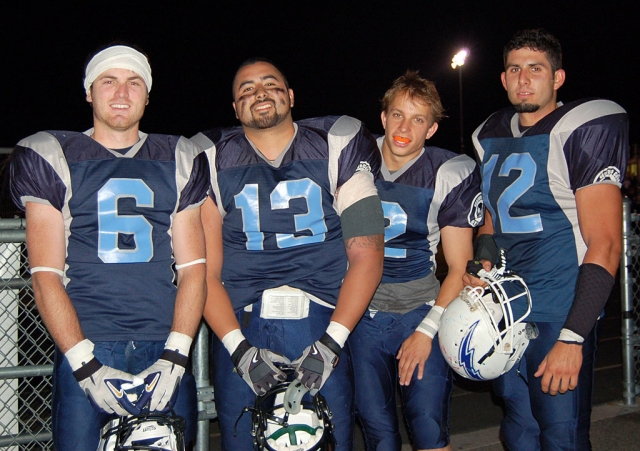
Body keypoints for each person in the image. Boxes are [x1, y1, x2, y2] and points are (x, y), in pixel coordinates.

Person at [10, 44, 209, 450]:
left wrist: (177, 354)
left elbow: (194, 269)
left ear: (148, 95)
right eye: (109, 81)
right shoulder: (53, 154)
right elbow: (45, 276)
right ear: (89, 92)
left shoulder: (179, 156)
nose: (121, 93)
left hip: (163, 339)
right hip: (87, 339)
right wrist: (83, 362)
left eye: (134, 82)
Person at [191, 57, 385, 450]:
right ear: (234, 108)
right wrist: (238, 350)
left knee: (328, 440)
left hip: (322, 321)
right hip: (242, 323)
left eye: (269, 84)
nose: (258, 92)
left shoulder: (336, 143)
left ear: (291, 95)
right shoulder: (210, 157)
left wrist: (331, 343)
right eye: (246, 88)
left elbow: (368, 254)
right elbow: (205, 274)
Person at [467, 29, 629, 450]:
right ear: (503, 79)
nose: (524, 79)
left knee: (562, 436)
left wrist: (573, 337)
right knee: (519, 430)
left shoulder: (581, 127)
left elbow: (606, 243)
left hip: (560, 308)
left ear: (557, 78)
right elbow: (492, 214)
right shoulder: (489, 134)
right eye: (515, 69)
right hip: (507, 307)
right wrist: (482, 253)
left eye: (535, 69)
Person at [348, 71, 483, 451]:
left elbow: (459, 268)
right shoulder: (352, 161)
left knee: (429, 431)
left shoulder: (447, 172)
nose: (404, 127)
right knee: (378, 435)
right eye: (397, 115)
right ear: (383, 117)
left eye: (418, 119)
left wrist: (426, 332)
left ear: (432, 128)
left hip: (420, 311)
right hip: (363, 316)